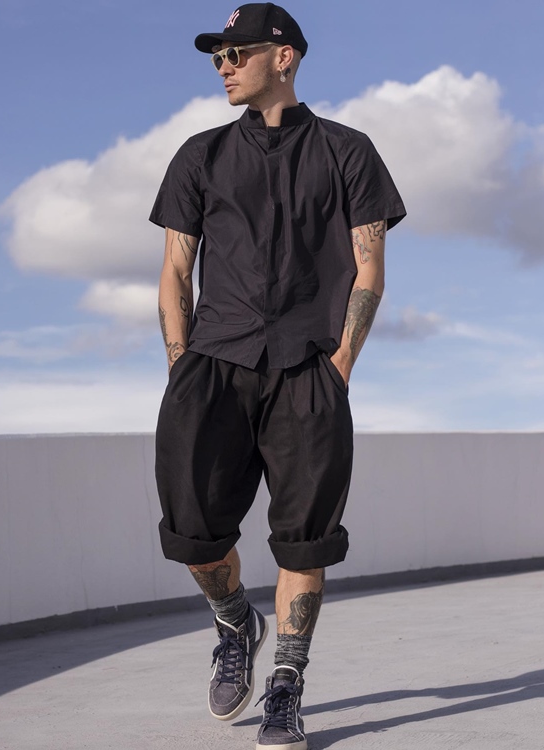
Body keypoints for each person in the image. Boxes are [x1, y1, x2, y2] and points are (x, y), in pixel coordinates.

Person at [150, 4, 406, 748]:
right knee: (193, 534)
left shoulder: (348, 152)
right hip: (211, 368)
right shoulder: (198, 155)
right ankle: (236, 623)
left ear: (284, 57)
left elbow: (369, 267)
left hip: (307, 370)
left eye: (236, 52)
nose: (222, 65)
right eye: (216, 56)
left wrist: (340, 367)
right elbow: (174, 269)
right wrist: (179, 365)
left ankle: (285, 684)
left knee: (304, 540)